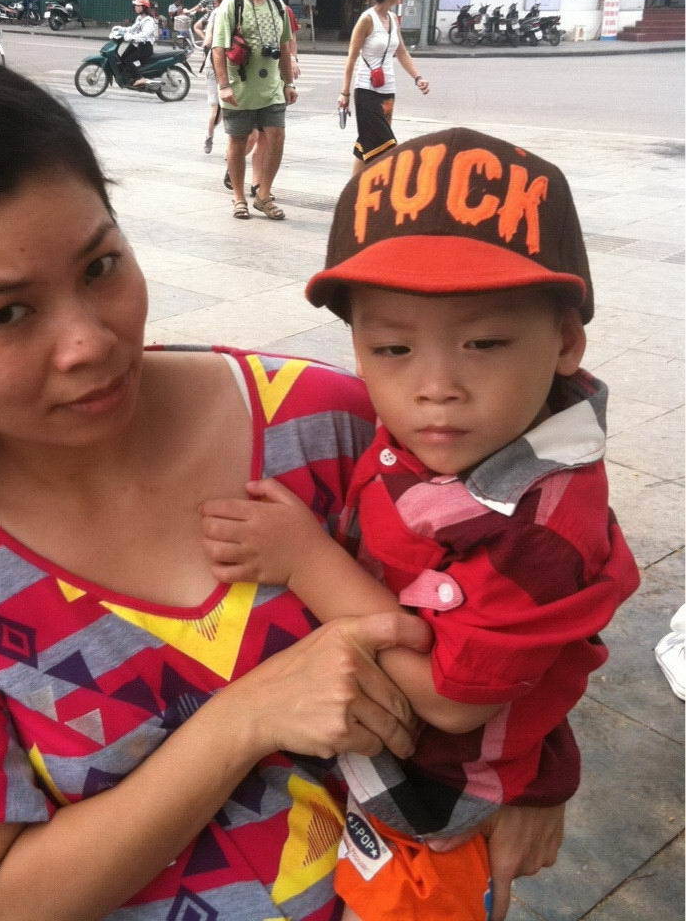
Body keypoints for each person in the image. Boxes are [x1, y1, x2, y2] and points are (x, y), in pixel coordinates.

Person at [0, 63, 564, 921]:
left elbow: (525, 578)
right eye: (6, 314)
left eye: (100, 266)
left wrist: (540, 768)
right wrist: (245, 718)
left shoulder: (329, 427)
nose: (89, 342)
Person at [200, 127, 640, 921]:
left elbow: (451, 700)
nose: (435, 386)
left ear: (566, 342)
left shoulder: (541, 527)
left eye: (484, 343)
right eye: (392, 347)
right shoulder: (444, 434)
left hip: (435, 804)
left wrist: (304, 560)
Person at [212, 0, 296, 221]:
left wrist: (288, 83)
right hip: (240, 88)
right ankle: (238, 197)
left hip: (271, 87)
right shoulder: (233, 3)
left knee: (277, 137)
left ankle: (263, 195)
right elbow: (218, 48)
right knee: (238, 142)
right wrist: (224, 86)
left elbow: (284, 48)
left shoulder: (278, 5)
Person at [338, 0, 429, 179]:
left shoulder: (392, 19)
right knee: (387, 145)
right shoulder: (366, 20)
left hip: (387, 91)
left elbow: (402, 52)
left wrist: (418, 78)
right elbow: (351, 58)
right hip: (366, 90)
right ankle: (385, 187)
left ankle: (354, 190)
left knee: (367, 142)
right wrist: (344, 93)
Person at [199, 0, 240, 155]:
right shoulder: (231, 12)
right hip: (224, 62)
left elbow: (207, 40)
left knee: (218, 107)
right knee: (225, 107)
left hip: (216, 62)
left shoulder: (216, 12)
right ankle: (224, 143)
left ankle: (210, 136)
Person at [117, 0, 158, 88]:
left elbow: (144, 35)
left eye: (138, 6)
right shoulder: (139, 18)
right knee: (122, 59)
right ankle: (129, 78)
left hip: (145, 47)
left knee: (127, 60)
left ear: (143, 7)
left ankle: (140, 78)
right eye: (135, 5)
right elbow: (132, 29)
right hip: (137, 44)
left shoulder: (149, 21)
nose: (135, 7)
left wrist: (130, 37)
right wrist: (120, 29)